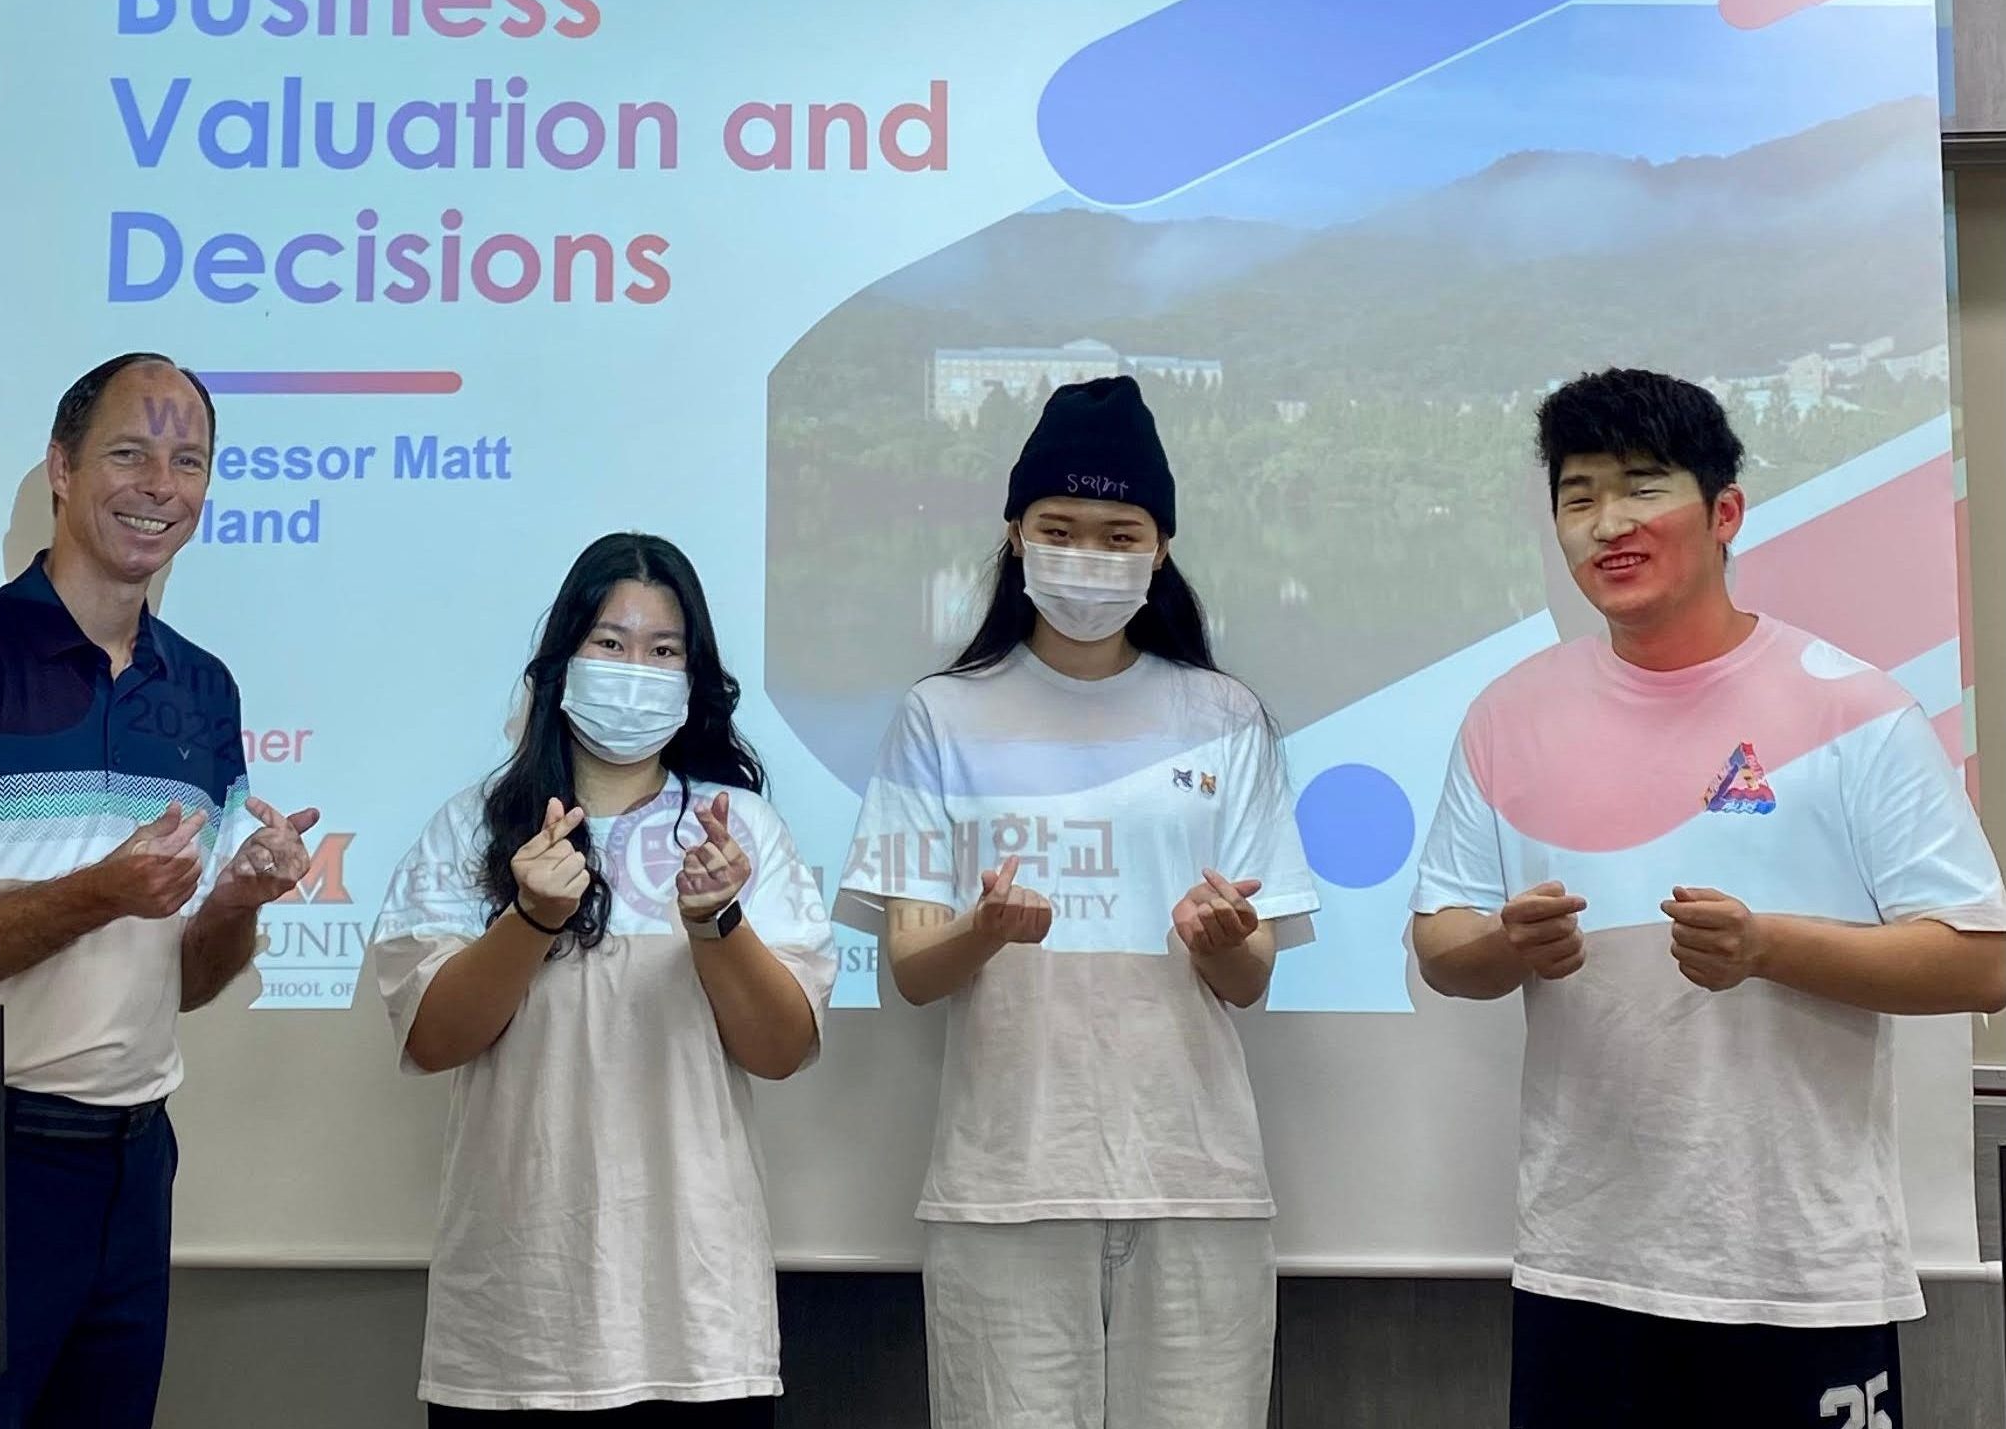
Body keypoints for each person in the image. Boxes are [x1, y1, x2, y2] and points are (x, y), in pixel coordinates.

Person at [1409, 367, 2006, 1428]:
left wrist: (1767, 946)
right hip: (1583, 1265)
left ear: (1723, 510)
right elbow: (1441, 944)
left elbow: (1977, 957)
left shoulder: (1851, 705)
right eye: (1577, 494)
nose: (1605, 523)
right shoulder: (1509, 714)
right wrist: (1506, 945)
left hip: (1796, 1268)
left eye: (1641, 487)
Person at [0, 351, 319, 1428]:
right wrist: (93, 893)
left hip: (135, 1165)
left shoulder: (203, 691)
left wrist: (236, 904)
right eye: (129, 452)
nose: (159, 484)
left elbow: (182, 978)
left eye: (188, 461)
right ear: (60, 466)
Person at [836, 376, 1320, 1428]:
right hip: (1005, 1177)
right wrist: (982, 929)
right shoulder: (942, 714)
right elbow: (912, 973)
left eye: (1117, 534)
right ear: (1015, 536)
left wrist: (1221, 940)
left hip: (1194, 1176)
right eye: (1059, 529)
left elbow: (1248, 980)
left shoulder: (1222, 715)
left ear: (1160, 548)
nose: (1087, 557)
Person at [373, 532, 835, 1426]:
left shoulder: (738, 829)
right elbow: (430, 1039)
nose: (637, 671)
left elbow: (781, 1050)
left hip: (697, 1329)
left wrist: (717, 923)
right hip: (515, 1330)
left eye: (664, 651)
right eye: (610, 644)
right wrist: (531, 918)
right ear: (562, 661)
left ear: (695, 676)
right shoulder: (474, 826)